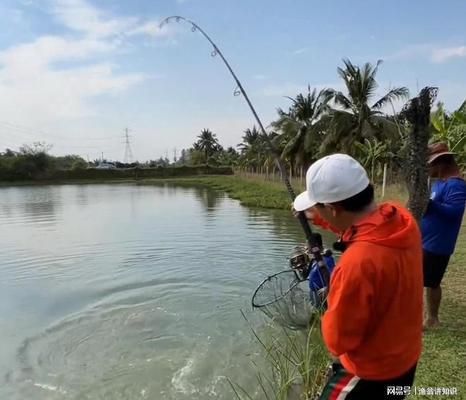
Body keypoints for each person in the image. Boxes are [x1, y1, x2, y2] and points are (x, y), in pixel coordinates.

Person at [293, 153, 423, 399]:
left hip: (367, 373)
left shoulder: (355, 264)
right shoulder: (402, 220)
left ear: (332, 208)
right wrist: (316, 216)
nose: (315, 211)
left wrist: (329, 302)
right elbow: (357, 226)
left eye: (317, 206)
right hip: (405, 361)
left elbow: (338, 341)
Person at [421, 142, 466, 329]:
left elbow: (454, 212)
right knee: (430, 282)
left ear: (441, 163)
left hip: (437, 243)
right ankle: (432, 318)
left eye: (430, 164)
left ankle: (428, 319)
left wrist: (430, 205)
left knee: (425, 281)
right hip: (426, 241)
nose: (428, 169)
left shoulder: (456, 185)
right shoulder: (440, 184)